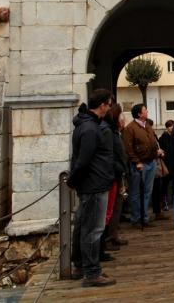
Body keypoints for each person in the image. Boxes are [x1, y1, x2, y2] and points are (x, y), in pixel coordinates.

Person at [68, 89, 116, 287]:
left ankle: (81, 265)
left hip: (92, 183)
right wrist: (73, 180)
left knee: (84, 226)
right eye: (109, 103)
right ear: (103, 105)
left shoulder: (87, 126)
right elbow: (83, 161)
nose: (110, 107)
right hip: (94, 185)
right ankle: (91, 272)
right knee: (93, 229)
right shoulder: (90, 129)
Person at [123, 104, 163, 228]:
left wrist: (157, 151)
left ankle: (144, 218)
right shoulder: (130, 128)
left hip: (151, 162)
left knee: (147, 192)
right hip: (139, 165)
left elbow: (152, 142)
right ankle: (136, 219)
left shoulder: (148, 126)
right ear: (139, 114)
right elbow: (128, 148)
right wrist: (137, 161)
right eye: (145, 110)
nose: (147, 111)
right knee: (136, 193)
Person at [101, 103, 129, 254]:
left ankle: (113, 236)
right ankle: (107, 240)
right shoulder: (110, 133)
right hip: (113, 175)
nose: (122, 119)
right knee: (109, 209)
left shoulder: (117, 133)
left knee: (117, 207)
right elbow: (112, 155)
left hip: (119, 174)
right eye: (120, 116)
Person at [148, 118, 170, 222]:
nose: (152, 128)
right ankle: (155, 212)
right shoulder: (150, 135)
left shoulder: (153, 134)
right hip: (152, 164)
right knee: (153, 190)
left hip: (157, 164)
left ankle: (158, 212)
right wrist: (158, 152)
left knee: (157, 189)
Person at [157, 120, 174, 211]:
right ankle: (164, 202)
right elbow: (162, 150)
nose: (172, 127)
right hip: (167, 164)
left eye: (172, 126)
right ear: (167, 127)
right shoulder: (163, 137)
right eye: (170, 126)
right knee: (164, 184)